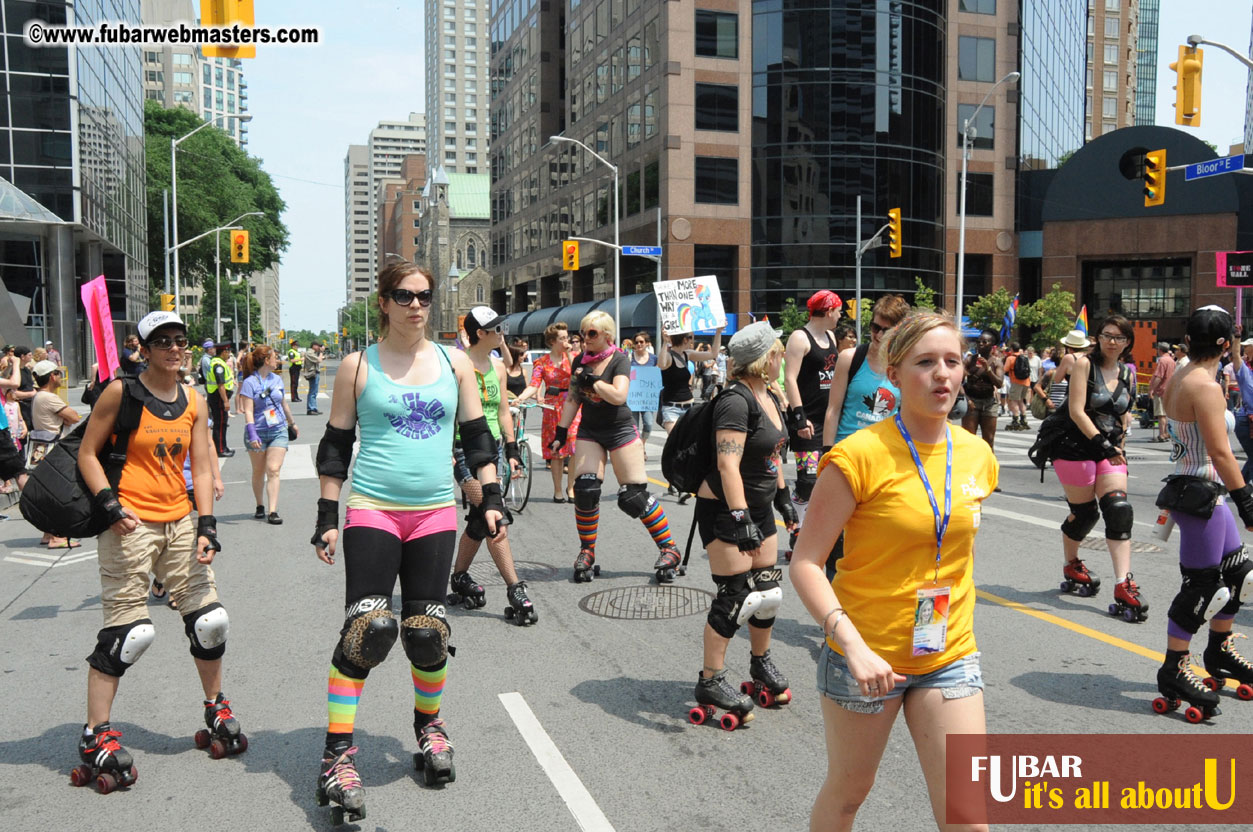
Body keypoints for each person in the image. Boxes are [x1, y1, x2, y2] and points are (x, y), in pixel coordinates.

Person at [309, 262, 505, 817]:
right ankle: (338, 754)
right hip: (373, 510)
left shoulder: (455, 363)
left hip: (435, 513)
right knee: (367, 630)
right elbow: (335, 446)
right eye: (404, 295)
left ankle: (429, 727)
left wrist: (490, 500)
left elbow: (477, 437)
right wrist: (328, 514)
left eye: (424, 296)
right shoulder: (357, 365)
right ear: (385, 303)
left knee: (427, 633)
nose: (416, 305)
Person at [790, 312, 997, 832]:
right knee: (849, 794)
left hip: (948, 652)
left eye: (952, 361)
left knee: (968, 815)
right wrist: (853, 647)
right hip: (866, 656)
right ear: (896, 373)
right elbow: (807, 564)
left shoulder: (976, 455)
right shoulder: (857, 456)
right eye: (926, 363)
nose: (943, 375)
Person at [75, 310, 239, 793]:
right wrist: (110, 505)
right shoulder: (120, 393)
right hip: (130, 525)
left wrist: (206, 524)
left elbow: (203, 466)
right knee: (129, 633)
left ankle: (215, 706)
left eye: (180, 340)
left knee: (211, 621)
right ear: (143, 349)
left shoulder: (193, 399)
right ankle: (95, 733)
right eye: (162, 341)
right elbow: (88, 452)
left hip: (180, 522)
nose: (173, 347)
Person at [688, 322, 798, 726]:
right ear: (765, 357)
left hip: (761, 507)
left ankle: (759, 663)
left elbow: (772, 455)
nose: (782, 356)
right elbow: (727, 464)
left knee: (767, 592)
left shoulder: (768, 395)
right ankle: (710, 680)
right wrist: (741, 519)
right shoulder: (735, 401)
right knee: (735, 596)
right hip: (725, 508)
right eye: (778, 351)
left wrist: (784, 499)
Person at [1154, 305, 1253, 721]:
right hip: (1200, 492)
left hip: (1201, 490)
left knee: (1238, 574)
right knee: (1202, 587)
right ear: (1225, 344)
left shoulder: (1180, 372)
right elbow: (1219, 452)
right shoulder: (1205, 386)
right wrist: (1247, 501)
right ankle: (1174, 667)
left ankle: (1219, 649)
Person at [551, 311, 683, 583]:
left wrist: (594, 381)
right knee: (586, 490)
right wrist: (561, 433)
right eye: (583, 332)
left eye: (592, 333)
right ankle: (587, 551)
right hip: (590, 430)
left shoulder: (619, 360)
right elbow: (573, 400)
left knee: (633, 496)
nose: (584, 338)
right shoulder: (579, 361)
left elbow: (619, 395)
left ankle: (669, 549)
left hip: (620, 429)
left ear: (607, 336)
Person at [1041, 315, 1145, 619]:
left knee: (1118, 510)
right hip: (1074, 447)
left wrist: (1120, 448)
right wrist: (1105, 446)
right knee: (1085, 513)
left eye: (1120, 337)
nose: (1113, 342)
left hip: (1109, 450)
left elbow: (1124, 416)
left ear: (1128, 343)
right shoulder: (1084, 365)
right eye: (1107, 335)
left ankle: (1123, 583)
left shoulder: (1128, 373)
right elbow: (1076, 411)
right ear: (1097, 338)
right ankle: (1072, 563)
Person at [446, 306, 536, 624]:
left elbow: (501, 413)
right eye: (497, 328)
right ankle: (515, 589)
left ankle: (459, 577)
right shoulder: (457, 366)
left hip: (493, 450)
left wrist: (511, 449)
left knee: (480, 519)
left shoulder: (498, 367)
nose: (503, 333)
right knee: (494, 514)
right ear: (480, 333)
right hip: (463, 450)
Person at [818, 294, 910, 567]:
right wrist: (827, 454)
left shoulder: (905, 365)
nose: (879, 334)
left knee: (876, 535)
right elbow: (833, 409)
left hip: (885, 462)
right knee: (836, 540)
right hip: (846, 457)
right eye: (875, 327)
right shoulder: (851, 357)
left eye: (886, 329)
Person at [783, 290, 844, 534]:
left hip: (829, 420)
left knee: (827, 479)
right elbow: (789, 379)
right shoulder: (800, 338)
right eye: (839, 311)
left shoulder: (830, 336)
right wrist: (799, 417)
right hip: (807, 422)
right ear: (828, 311)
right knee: (807, 481)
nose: (840, 316)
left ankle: (818, 529)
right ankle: (797, 529)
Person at [514, 322, 581, 502]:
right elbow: (534, 384)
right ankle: (558, 489)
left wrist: (568, 353)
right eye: (562, 338)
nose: (566, 341)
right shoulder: (542, 362)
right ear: (552, 341)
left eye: (567, 337)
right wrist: (521, 397)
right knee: (557, 450)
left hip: (572, 402)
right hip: (552, 405)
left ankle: (571, 487)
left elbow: (579, 374)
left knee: (574, 446)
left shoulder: (574, 357)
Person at [658, 329, 724, 501]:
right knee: (677, 445)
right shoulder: (669, 356)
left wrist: (718, 332)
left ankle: (680, 481)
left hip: (688, 408)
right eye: (691, 337)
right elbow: (661, 363)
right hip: (671, 408)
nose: (692, 340)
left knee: (689, 446)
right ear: (685, 339)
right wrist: (665, 342)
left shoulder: (687, 355)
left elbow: (713, 354)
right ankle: (678, 483)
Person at [238, 346, 297, 525]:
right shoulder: (250, 383)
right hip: (258, 431)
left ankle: (272, 511)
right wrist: (252, 434)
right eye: (274, 357)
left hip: (278, 430)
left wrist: (292, 423)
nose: (277, 360)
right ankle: (259, 505)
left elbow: (284, 404)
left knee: (273, 470)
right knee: (259, 471)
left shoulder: (277, 379)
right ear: (266, 360)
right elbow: (248, 411)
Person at [28, 359, 81, 547]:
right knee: (59, 494)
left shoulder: (38, 396)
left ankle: (48, 534)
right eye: (58, 373)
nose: (60, 376)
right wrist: (66, 418)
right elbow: (73, 417)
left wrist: (64, 418)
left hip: (42, 448)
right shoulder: (49, 397)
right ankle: (57, 537)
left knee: (50, 492)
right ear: (52, 376)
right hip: (55, 450)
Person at [960, 329, 1005, 454]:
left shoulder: (997, 362)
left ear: (992, 345)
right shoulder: (969, 360)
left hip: (989, 403)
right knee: (969, 439)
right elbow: (957, 380)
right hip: (972, 401)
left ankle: (988, 469)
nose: (980, 344)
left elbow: (999, 383)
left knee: (989, 440)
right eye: (978, 341)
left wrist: (988, 369)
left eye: (984, 342)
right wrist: (966, 399)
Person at [629, 334, 657, 459]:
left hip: (647, 398)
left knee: (648, 423)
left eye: (641, 342)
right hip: (633, 397)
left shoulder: (653, 359)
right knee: (634, 426)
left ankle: (642, 444)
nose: (639, 344)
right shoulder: (629, 358)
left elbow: (657, 375)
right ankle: (638, 449)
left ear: (647, 343)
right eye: (636, 342)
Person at [205, 343, 236, 457]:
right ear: (223, 352)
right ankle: (220, 449)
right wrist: (225, 401)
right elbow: (220, 384)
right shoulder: (218, 365)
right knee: (220, 424)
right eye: (228, 352)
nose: (229, 354)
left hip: (218, 397)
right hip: (218, 397)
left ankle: (224, 446)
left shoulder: (217, 362)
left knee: (222, 423)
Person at [1149, 341, 1177, 443]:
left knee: (1161, 414)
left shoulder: (1162, 361)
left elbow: (1159, 376)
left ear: (1159, 350)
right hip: (1170, 389)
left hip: (1161, 390)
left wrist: (1152, 389)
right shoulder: (1172, 361)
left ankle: (1162, 434)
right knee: (1167, 414)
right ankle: (1168, 433)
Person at [1004, 341, 1032, 431]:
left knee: (1013, 401)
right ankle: (1024, 419)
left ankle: (1015, 420)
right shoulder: (1024, 357)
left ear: (1012, 349)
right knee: (1021, 401)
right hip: (1026, 381)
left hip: (1016, 382)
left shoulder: (1010, 358)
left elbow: (1005, 369)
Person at [303, 341, 325, 415]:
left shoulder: (313, 353)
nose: (319, 347)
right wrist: (321, 352)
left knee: (314, 392)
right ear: (314, 346)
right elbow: (319, 360)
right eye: (318, 346)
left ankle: (314, 408)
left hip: (315, 373)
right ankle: (311, 409)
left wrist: (321, 354)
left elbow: (319, 359)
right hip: (312, 373)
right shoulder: (309, 353)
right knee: (312, 392)